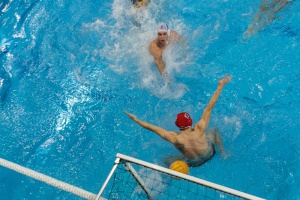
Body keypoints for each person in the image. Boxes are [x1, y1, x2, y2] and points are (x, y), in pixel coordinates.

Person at [125, 75, 232, 167]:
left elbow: (153, 128)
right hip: (209, 153)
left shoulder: (175, 138)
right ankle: (223, 153)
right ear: (190, 122)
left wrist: (136, 120)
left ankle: (176, 173)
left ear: (177, 125)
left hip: (194, 163)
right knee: (214, 130)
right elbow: (209, 107)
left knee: (166, 160)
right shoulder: (199, 128)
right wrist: (220, 86)